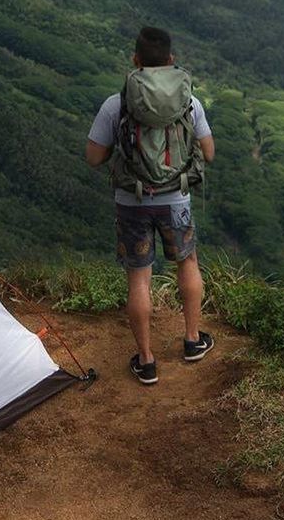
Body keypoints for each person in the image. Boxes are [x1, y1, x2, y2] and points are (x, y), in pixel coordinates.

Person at [85, 26, 216, 385]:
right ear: (172, 61)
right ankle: (192, 340)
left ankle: (146, 361)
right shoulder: (191, 103)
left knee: (139, 278)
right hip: (177, 199)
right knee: (187, 263)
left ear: (136, 61)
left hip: (132, 201)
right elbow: (209, 152)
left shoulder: (117, 104)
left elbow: (94, 157)